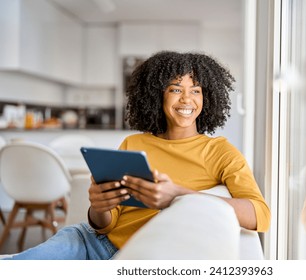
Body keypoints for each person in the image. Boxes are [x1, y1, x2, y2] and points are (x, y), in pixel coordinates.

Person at [4, 50, 270, 260]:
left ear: (207, 98)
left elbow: (260, 215)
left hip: (133, 255)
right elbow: (105, 225)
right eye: (176, 89)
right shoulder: (133, 142)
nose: (187, 99)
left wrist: (176, 195)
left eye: (196, 90)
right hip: (88, 241)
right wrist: (99, 207)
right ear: (159, 96)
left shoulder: (221, 152)